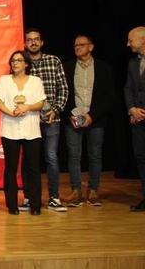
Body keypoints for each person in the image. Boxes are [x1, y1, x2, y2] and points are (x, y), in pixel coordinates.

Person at [62, 35, 115, 207]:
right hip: (74, 118)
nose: (77, 47)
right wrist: (71, 113)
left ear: (91, 47)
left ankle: (93, 190)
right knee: (74, 156)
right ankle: (76, 190)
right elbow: (64, 93)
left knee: (95, 155)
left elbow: (109, 96)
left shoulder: (103, 68)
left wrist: (93, 115)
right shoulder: (68, 67)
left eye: (81, 45)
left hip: (95, 119)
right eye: (75, 45)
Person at [0, 50, 46, 215]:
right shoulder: (4, 80)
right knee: (11, 168)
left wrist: (27, 107)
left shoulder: (35, 81)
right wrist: (10, 112)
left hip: (31, 130)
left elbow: (40, 103)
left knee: (33, 168)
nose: (15, 63)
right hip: (10, 129)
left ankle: (35, 204)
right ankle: (12, 205)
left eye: (18, 60)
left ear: (26, 64)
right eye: (13, 61)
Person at [24, 28, 69, 212]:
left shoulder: (54, 60)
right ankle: (29, 198)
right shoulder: (21, 62)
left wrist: (56, 110)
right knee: (29, 160)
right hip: (28, 119)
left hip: (51, 118)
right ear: (25, 43)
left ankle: (54, 197)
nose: (33, 43)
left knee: (51, 157)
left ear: (42, 42)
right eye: (29, 40)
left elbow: (63, 89)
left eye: (36, 40)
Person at [125, 26, 145, 212]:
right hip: (138, 119)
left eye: (131, 40)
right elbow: (129, 89)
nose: (128, 43)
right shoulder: (133, 63)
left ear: (143, 40)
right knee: (141, 157)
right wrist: (132, 110)